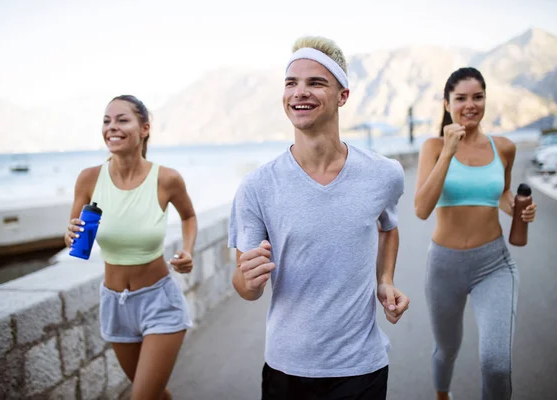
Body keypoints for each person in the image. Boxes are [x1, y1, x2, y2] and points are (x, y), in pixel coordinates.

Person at [228, 36, 410, 400]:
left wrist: (385, 280)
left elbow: (388, 228)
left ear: (343, 95)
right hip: (286, 367)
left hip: (361, 366)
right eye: (291, 82)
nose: (300, 92)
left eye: (316, 82)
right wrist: (248, 280)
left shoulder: (383, 174)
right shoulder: (257, 186)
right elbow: (245, 287)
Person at [414, 67, 537, 400]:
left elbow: (502, 194)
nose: (471, 105)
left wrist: (519, 208)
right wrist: (449, 151)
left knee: (496, 363)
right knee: (446, 349)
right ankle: (443, 396)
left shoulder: (504, 147)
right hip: (444, 266)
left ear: (485, 100)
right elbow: (422, 208)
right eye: (461, 98)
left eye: (478, 97)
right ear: (447, 103)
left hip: (493, 264)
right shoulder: (433, 147)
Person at [64, 95, 197, 400]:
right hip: (115, 304)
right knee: (154, 393)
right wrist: (70, 234)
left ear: (144, 128)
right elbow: (71, 235)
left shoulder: (166, 179)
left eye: (122, 120)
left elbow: (188, 216)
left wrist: (188, 250)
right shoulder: (88, 179)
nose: (112, 127)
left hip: (159, 302)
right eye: (107, 120)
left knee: (141, 397)